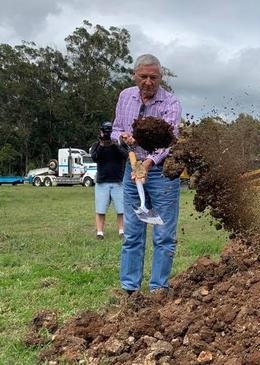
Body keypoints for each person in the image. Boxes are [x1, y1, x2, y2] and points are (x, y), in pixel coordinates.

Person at [111, 54, 181, 294]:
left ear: (161, 77)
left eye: (154, 77)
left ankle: (158, 289)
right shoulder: (125, 97)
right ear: (135, 76)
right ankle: (130, 289)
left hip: (161, 174)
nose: (148, 82)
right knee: (133, 233)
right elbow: (116, 129)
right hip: (133, 169)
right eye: (143, 77)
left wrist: (148, 163)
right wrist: (122, 137)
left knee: (163, 235)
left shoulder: (170, 103)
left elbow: (171, 141)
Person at [90, 121, 128, 240]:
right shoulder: (96, 145)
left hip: (118, 181)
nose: (107, 134)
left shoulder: (119, 144)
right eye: (105, 131)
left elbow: (125, 155)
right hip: (102, 182)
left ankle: (122, 231)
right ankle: (100, 232)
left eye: (110, 132)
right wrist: (102, 144)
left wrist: (114, 144)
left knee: (121, 209)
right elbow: (95, 158)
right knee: (100, 209)